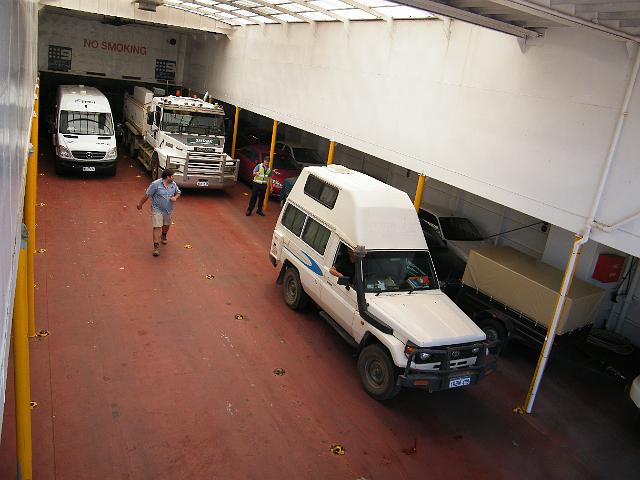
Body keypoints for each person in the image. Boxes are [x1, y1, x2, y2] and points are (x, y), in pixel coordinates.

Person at [137, 168, 181, 257]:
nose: (174, 177)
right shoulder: (156, 184)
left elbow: (178, 192)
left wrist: (175, 197)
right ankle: (156, 247)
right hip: (157, 209)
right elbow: (147, 195)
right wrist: (140, 204)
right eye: (173, 176)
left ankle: (164, 235)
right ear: (168, 177)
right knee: (157, 227)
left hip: (168, 210)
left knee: (166, 225)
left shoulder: (173, 184)